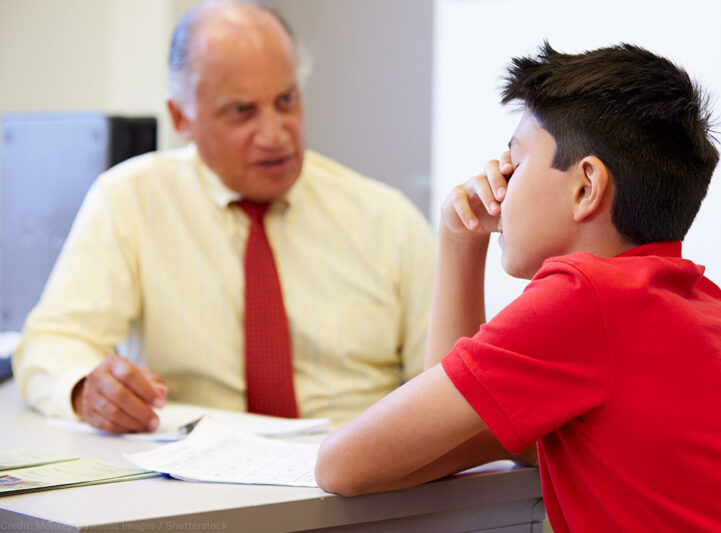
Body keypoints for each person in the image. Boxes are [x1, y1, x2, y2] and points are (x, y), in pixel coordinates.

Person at [315, 42, 721, 532]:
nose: (499, 179)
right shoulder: (689, 298)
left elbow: (342, 465)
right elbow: (450, 438)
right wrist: (462, 239)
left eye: (516, 159)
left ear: (586, 186)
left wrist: (456, 239)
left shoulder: (583, 296)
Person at [12, 0, 434, 432]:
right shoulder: (130, 200)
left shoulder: (388, 220)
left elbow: (450, 386)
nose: (274, 135)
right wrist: (88, 389)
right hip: (193, 478)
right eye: (242, 112)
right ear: (181, 117)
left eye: (286, 101)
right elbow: (52, 342)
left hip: (358, 473)